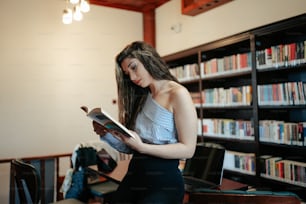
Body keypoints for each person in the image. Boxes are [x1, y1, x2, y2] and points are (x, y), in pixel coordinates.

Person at [92, 41, 197, 204]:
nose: (132, 78)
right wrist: (107, 134)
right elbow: (132, 147)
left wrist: (142, 147)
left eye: (134, 67)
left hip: (163, 183)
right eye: (128, 73)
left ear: (148, 59)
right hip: (134, 177)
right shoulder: (142, 97)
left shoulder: (178, 94)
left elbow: (188, 150)